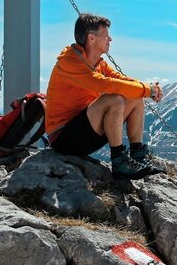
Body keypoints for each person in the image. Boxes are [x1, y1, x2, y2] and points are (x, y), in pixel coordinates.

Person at [45, 13, 164, 179]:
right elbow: (105, 85)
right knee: (114, 98)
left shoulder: (98, 63)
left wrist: (147, 89)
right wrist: (147, 90)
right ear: (92, 38)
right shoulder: (69, 63)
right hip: (64, 138)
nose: (110, 39)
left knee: (134, 95)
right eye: (106, 35)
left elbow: (121, 80)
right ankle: (119, 162)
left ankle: (138, 156)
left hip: (86, 129)